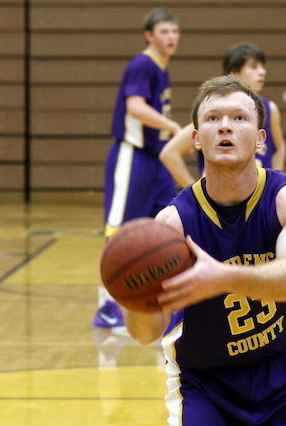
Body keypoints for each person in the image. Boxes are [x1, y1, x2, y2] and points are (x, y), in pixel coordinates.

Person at [124, 75, 286, 425]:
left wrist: (220, 277)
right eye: (212, 118)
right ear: (196, 139)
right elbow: (145, 333)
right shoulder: (172, 224)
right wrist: (133, 298)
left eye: (239, 117)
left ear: (260, 138)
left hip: (285, 372)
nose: (225, 126)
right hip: (205, 382)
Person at [93, 9, 182, 330]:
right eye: (164, 31)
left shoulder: (161, 67)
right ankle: (106, 307)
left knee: (171, 228)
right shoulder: (142, 64)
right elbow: (135, 106)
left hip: (156, 161)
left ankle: (169, 302)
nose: (171, 37)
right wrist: (173, 127)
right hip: (134, 157)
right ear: (149, 35)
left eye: (175, 31)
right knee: (119, 233)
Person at [159, 42, 286, 188]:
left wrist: (275, 183)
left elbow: (279, 148)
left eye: (262, 66)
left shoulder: (270, 109)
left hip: (257, 193)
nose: (262, 72)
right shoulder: (216, 109)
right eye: (254, 66)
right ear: (234, 72)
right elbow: (169, 153)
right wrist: (195, 192)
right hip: (221, 195)